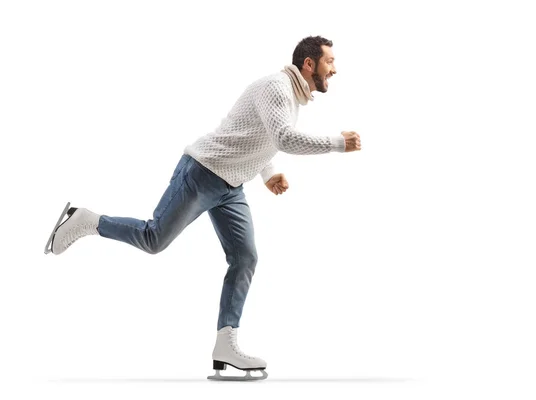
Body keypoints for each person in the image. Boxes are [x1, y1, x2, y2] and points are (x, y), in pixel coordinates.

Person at [44, 35, 362, 381]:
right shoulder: (277, 87)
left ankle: (226, 344)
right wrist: (337, 143)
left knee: (245, 257)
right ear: (309, 64)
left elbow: (258, 136)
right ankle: (87, 221)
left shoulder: (292, 97)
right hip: (203, 172)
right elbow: (284, 138)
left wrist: (267, 173)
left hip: (231, 186)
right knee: (154, 239)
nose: (335, 68)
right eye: (330, 61)